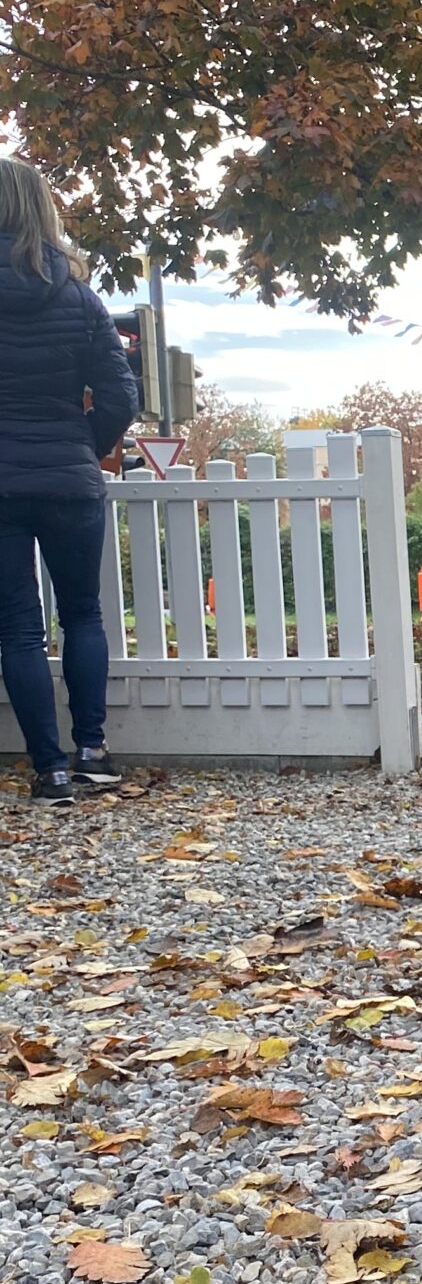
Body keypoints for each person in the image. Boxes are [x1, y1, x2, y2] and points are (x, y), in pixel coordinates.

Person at [0, 159, 141, 805]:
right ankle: (92, 751)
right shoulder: (81, 297)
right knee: (83, 614)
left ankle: (49, 771)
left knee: (19, 630)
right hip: (70, 479)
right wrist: (84, 446)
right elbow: (121, 394)